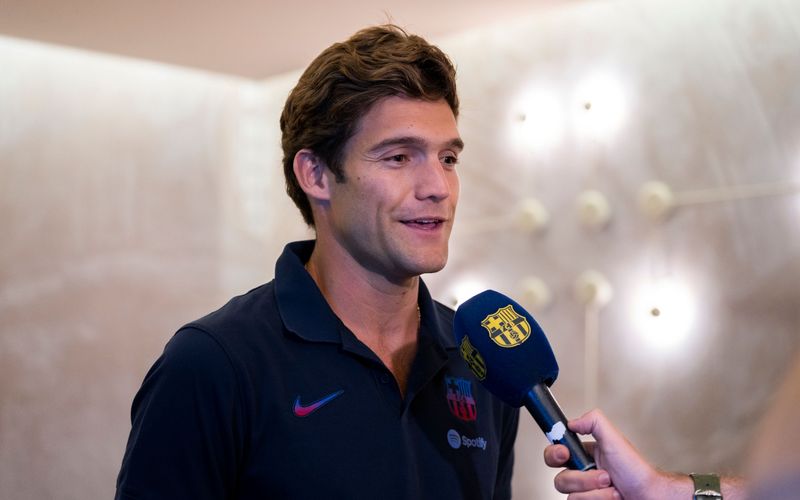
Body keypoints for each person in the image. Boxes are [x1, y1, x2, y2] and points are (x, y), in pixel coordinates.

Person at [115, 24, 519, 500]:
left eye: (448, 158)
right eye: (398, 157)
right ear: (316, 174)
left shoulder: (482, 361)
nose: (438, 187)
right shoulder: (213, 364)